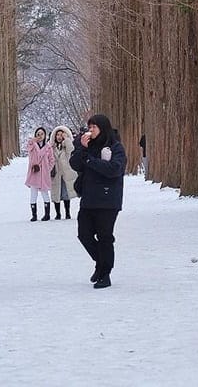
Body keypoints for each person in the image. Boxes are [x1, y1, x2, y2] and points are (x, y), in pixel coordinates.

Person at [69, 113, 126, 289]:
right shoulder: (88, 146)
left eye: (94, 127)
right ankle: (101, 263)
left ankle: (105, 273)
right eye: (89, 127)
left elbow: (114, 169)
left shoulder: (115, 147)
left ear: (103, 128)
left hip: (108, 200)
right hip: (88, 198)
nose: (91, 130)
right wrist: (81, 149)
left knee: (104, 237)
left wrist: (90, 160)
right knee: (84, 234)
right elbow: (75, 164)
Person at [25, 126, 55, 221]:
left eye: (42, 134)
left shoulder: (48, 147)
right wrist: (33, 141)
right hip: (34, 172)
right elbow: (28, 147)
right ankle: (34, 215)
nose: (40, 136)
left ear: (45, 135)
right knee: (33, 194)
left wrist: (47, 169)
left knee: (45, 193)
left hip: (44, 174)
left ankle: (47, 214)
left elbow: (52, 160)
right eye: (38, 134)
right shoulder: (33, 145)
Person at [50, 126, 78, 219]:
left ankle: (67, 212)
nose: (59, 137)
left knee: (66, 194)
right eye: (57, 135)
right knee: (56, 194)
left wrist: (66, 138)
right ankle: (58, 214)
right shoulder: (52, 147)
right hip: (56, 173)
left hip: (65, 173)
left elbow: (71, 149)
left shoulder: (66, 146)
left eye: (61, 135)